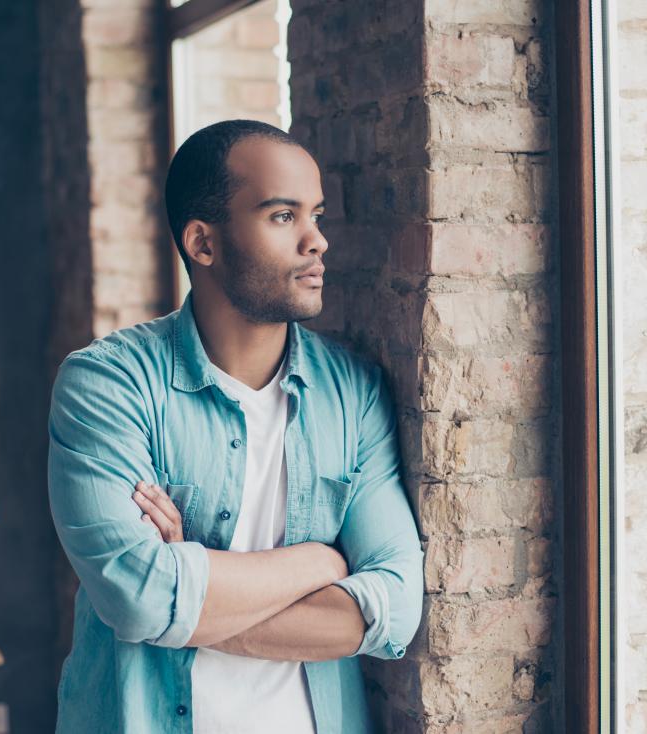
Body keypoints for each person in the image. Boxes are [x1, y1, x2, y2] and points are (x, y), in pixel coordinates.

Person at [48, 119, 423, 733]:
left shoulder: (353, 394)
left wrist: (189, 586)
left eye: (317, 215)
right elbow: (137, 598)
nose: (317, 241)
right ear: (203, 242)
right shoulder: (107, 385)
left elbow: (394, 609)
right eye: (282, 216)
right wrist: (322, 562)